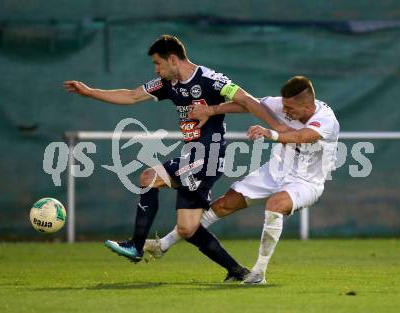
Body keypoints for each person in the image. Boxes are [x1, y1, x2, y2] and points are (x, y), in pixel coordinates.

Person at [63, 35, 286, 282]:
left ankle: (136, 245)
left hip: (208, 154)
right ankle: (240, 272)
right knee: (187, 228)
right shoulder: (167, 83)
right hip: (194, 156)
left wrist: (277, 127)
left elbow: (245, 100)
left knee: (149, 177)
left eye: (157, 63)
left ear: (172, 59)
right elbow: (132, 95)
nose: (156, 69)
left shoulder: (210, 80)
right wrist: (91, 92)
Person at [144, 76, 340, 284]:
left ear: (308, 106)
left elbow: (302, 137)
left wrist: (269, 133)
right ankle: (162, 245)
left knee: (275, 205)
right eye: (284, 106)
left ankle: (258, 272)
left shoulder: (326, 119)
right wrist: (210, 110)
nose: (285, 111)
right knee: (222, 205)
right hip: (273, 172)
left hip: (306, 182)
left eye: (290, 108)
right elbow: (248, 104)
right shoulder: (282, 105)